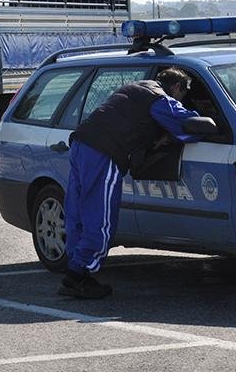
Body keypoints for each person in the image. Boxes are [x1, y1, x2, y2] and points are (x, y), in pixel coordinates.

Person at [60, 67, 201, 299]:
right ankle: (79, 275)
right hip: (104, 152)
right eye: (183, 95)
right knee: (101, 215)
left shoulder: (135, 88)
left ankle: (75, 264)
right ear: (177, 88)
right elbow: (187, 122)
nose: (181, 99)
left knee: (79, 209)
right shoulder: (160, 98)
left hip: (81, 143)